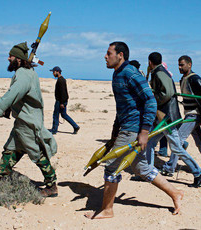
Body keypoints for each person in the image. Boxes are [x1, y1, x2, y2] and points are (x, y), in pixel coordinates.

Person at [84, 42, 183, 220]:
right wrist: (114, 134)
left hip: (133, 129)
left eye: (109, 53)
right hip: (126, 128)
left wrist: (144, 132)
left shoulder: (130, 73)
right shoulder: (117, 74)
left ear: (120, 55)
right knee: (142, 168)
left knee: (111, 167)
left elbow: (151, 101)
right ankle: (175, 193)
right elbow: (121, 107)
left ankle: (107, 209)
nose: (105, 57)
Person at [0, 42, 58, 197]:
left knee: (37, 154)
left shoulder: (24, 75)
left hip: (28, 122)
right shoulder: (26, 72)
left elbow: (13, 94)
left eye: (11, 56)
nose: (8, 58)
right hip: (22, 122)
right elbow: (16, 96)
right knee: (11, 149)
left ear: (20, 59)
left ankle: (51, 185)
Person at [146, 52, 201, 187]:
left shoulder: (159, 73)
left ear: (150, 62)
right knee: (150, 142)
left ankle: (197, 172)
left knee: (176, 147)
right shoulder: (160, 72)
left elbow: (167, 93)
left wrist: (154, 99)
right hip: (164, 116)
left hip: (167, 117)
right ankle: (148, 173)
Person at [162, 55, 201, 177]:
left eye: (182, 65)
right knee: (199, 142)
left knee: (177, 141)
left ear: (189, 65)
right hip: (189, 115)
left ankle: (170, 168)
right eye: (178, 65)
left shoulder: (195, 79)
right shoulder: (183, 79)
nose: (180, 67)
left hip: (194, 115)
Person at [49, 66, 80, 135]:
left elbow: (63, 92)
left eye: (54, 72)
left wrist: (62, 103)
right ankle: (75, 126)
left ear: (57, 72)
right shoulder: (61, 79)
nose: (53, 74)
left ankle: (54, 130)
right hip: (62, 101)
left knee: (56, 115)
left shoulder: (61, 80)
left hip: (60, 101)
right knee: (64, 115)